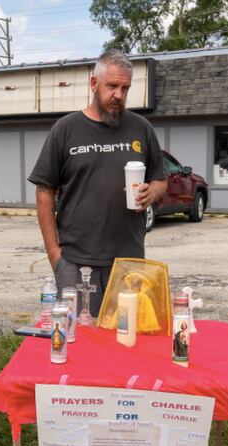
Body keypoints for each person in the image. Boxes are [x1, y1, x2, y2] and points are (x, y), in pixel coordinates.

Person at [28, 49, 167, 317]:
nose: (119, 95)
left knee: (127, 340)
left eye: (125, 88)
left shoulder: (141, 128)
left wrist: (153, 193)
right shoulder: (66, 130)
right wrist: (55, 255)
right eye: (112, 86)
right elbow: (44, 192)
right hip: (75, 261)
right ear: (94, 84)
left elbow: (161, 180)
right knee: (79, 342)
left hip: (129, 261)